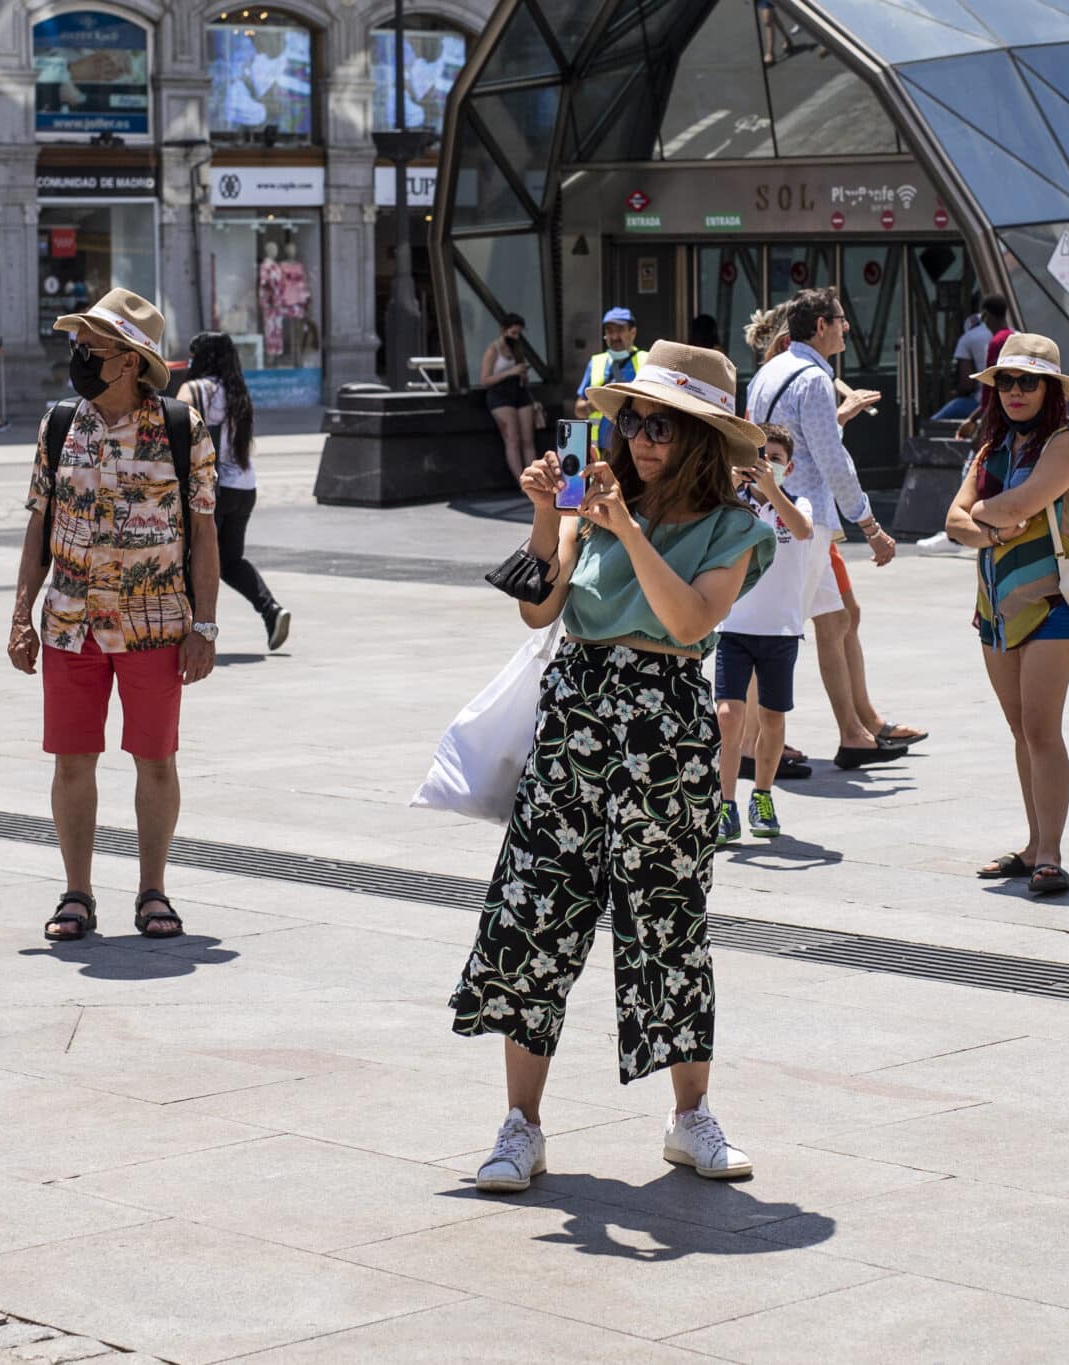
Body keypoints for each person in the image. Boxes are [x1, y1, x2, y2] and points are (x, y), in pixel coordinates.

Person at [450, 339, 775, 1193]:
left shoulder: (734, 526)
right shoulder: (589, 503)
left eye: (662, 426)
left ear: (702, 440)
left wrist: (625, 530)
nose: (641, 438)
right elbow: (539, 609)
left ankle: (689, 1116)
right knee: (536, 908)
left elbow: (689, 620)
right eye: (633, 420)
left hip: (664, 722)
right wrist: (547, 518)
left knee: (667, 920)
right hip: (578, 714)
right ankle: (521, 1125)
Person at [8, 288, 219, 945]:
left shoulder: (182, 430)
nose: (78, 358)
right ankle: (77, 893)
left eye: (91, 349)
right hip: (70, 619)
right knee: (73, 760)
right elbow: (39, 523)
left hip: (155, 623)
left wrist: (205, 624)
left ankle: (153, 889)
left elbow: (205, 533)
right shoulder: (58, 424)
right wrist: (21, 614)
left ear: (131, 360)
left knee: (155, 759)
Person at [942, 334, 1069, 898]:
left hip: (1054, 604)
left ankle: (1050, 854)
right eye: (1006, 381)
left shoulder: (1067, 443)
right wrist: (996, 521)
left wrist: (988, 514)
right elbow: (954, 520)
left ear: (1050, 389)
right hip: (994, 606)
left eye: (1028, 381)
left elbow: (1014, 505)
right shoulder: (992, 447)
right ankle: (1032, 846)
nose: (1015, 391)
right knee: (1018, 729)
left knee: (1040, 727)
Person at [746, 286, 915, 770]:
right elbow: (831, 459)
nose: (846, 327)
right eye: (840, 319)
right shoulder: (813, 379)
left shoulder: (770, 372)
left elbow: (791, 441)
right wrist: (869, 523)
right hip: (803, 518)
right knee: (775, 632)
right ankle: (749, 745)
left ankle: (854, 735)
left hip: (778, 511)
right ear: (820, 325)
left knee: (837, 619)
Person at [715, 423, 816, 844]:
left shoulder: (799, 504)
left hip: (780, 630)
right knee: (727, 716)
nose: (766, 466)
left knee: (773, 718)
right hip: (734, 626)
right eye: (760, 458)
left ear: (788, 466)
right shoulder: (730, 506)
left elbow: (803, 531)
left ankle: (762, 794)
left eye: (774, 459)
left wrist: (772, 490)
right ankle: (725, 803)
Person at [183, 331, 290, 652]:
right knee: (230, 561)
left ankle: (185, 631)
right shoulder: (237, 391)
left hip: (212, 489)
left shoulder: (195, 389)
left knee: (192, 558)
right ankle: (272, 611)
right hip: (244, 487)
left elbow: (175, 426)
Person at [573, 306, 646, 451]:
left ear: (633, 332)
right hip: (601, 451)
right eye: (609, 331)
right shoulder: (596, 362)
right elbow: (578, 410)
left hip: (634, 449)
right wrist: (600, 401)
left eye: (619, 330)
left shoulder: (647, 360)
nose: (614, 336)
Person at [933, 293, 1010, 422]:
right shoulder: (1016, 336)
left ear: (986, 315)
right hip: (1008, 403)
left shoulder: (980, 340)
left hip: (986, 404)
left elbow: (968, 385)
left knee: (934, 423)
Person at [481, 313, 536, 481]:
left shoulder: (518, 348)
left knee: (528, 439)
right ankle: (521, 481)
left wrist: (522, 373)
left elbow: (523, 378)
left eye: (518, 333)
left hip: (519, 391)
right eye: (513, 333)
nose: (516, 337)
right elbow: (485, 379)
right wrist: (510, 372)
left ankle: (534, 478)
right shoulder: (493, 349)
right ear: (503, 330)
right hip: (500, 395)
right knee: (513, 439)